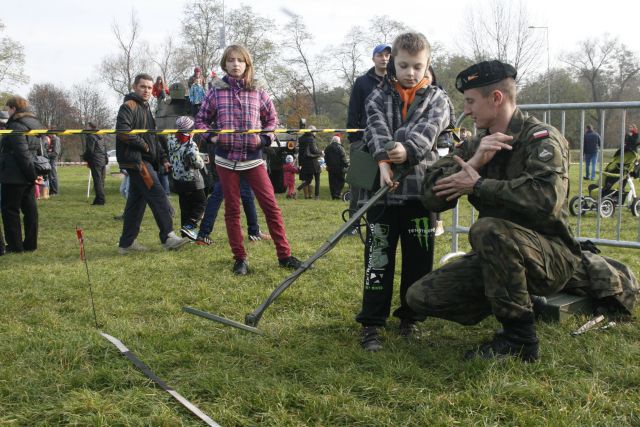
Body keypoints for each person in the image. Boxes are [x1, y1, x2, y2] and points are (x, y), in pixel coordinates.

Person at [406, 60, 582, 362]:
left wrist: (479, 185)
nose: (467, 110)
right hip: (496, 256)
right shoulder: (477, 144)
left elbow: (545, 200)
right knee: (420, 297)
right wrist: (474, 162)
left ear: (496, 98)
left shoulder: (541, 138)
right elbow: (431, 198)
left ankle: (519, 339)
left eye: (471, 101)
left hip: (551, 257)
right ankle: (519, 301)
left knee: (488, 229)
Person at [355, 32, 452, 351]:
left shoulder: (438, 98)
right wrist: (383, 160)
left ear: (427, 66)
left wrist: (404, 149)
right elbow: (374, 127)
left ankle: (411, 317)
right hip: (381, 194)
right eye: (404, 65)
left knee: (419, 260)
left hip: (419, 194)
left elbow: (428, 133)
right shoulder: (376, 96)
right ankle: (371, 323)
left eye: (417, 66)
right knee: (378, 258)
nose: (410, 72)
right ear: (392, 64)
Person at [195, 44, 301, 275]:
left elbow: (272, 120)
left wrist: (263, 140)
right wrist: (212, 139)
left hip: (253, 159)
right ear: (225, 64)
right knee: (232, 209)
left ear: (247, 64)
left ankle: (284, 255)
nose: (235, 64)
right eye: (231, 60)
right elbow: (201, 120)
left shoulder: (259, 91)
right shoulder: (215, 91)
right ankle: (240, 258)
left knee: (271, 206)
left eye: (240, 60)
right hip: (225, 160)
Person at [115, 73, 190, 254]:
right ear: (135, 87)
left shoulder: (147, 108)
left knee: (136, 203)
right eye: (143, 87)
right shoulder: (128, 106)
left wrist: (163, 158)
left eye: (149, 88)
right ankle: (168, 237)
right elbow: (123, 132)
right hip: (137, 161)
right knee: (158, 195)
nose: (147, 90)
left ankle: (126, 244)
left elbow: (153, 137)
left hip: (145, 160)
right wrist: (145, 147)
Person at [345, 43, 391, 233]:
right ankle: (353, 224)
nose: (384, 58)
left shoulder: (395, 80)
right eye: (380, 55)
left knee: (385, 182)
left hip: (387, 138)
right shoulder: (362, 82)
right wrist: (354, 139)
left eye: (388, 55)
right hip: (363, 140)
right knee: (358, 183)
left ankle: (381, 222)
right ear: (373, 58)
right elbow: (353, 110)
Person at [0, 96, 45, 253]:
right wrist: (35, 174)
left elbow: (22, 153)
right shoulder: (33, 124)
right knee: (30, 210)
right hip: (28, 173)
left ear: (13, 108)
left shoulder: (16, 126)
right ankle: (31, 244)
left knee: (10, 211)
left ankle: (15, 246)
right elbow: (38, 150)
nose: (6, 111)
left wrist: (31, 174)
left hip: (15, 175)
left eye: (7, 108)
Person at [167, 116, 207, 241]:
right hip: (192, 179)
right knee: (202, 203)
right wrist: (203, 161)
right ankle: (190, 225)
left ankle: (186, 236)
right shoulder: (190, 144)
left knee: (185, 207)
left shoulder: (170, 140)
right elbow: (197, 163)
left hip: (178, 179)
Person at [83, 122, 108, 205]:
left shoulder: (90, 137)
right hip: (102, 161)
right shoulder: (101, 136)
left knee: (97, 181)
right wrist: (106, 159)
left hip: (96, 161)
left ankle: (100, 200)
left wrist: (85, 158)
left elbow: (90, 151)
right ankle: (98, 199)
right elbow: (105, 149)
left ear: (90, 128)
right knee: (100, 181)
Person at [296, 127, 322, 199]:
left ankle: (296, 190)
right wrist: (321, 152)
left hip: (304, 162)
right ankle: (317, 196)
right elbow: (314, 150)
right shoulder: (311, 138)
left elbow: (300, 152)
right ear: (313, 131)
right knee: (317, 179)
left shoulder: (301, 138)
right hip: (313, 161)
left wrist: (300, 164)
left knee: (307, 180)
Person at [324, 135, 349, 199]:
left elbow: (325, 158)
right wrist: (347, 165)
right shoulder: (340, 148)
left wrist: (327, 165)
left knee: (332, 182)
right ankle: (338, 194)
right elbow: (343, 158)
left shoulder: (328, 147)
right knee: (340, 181)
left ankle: (333, 195)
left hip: (331, 168)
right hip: (339, 168)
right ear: (339, 141)